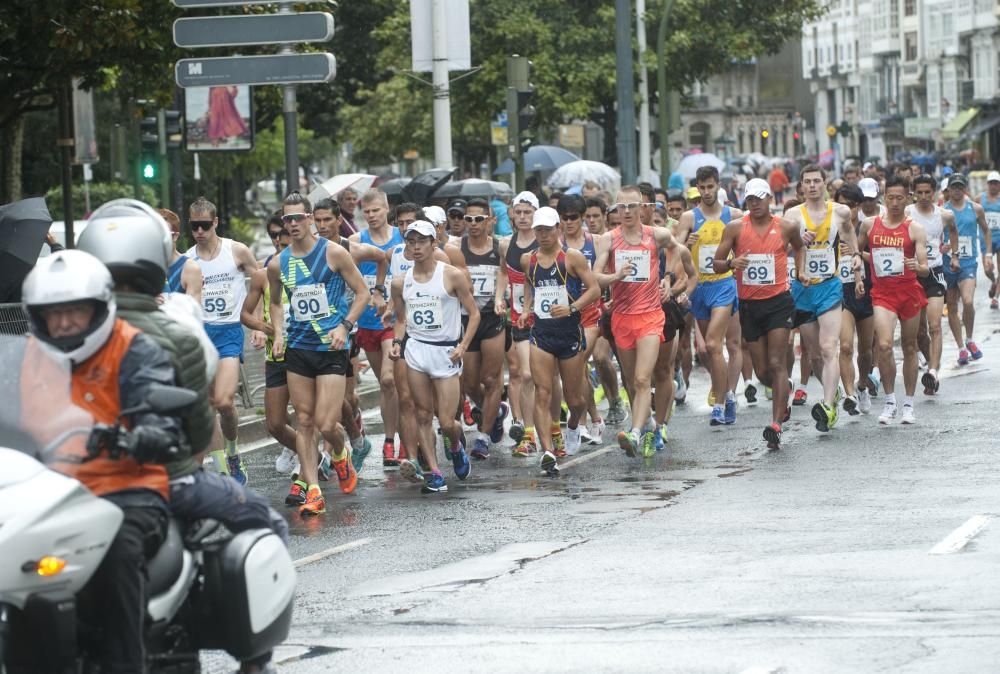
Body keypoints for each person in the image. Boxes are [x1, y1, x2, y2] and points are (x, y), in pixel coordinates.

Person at [23, 249, 184, 673]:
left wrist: (142, 436)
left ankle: (124, 664)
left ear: (98, 308)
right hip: (45, 494)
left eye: (73, 311)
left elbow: (162, 418)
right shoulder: (25, 357)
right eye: (51, 313)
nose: (62, 323)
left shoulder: (134, 349)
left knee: (115, 552)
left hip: (125, 490)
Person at [269, 192, 371, 516]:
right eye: (288, 219)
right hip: (298, 349)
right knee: (304, 421)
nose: (293, 224)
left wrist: (345, 326)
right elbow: (274, 302)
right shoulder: (278, 263)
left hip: (330, 346)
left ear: (311, 218)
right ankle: (313, 490)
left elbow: (363, 292)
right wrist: (279, 333)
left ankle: (340, 455)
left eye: (299, 217)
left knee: (328, 424)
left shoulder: (334, 253)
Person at [596, 185, 690, 456]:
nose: (626, 212)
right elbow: (595, 275)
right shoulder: (609, 239)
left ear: (642, 208)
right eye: (621, 207)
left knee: (641, 378)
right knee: (630, 379)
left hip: (650, 316)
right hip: (622, 317)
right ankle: (648, 423)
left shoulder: (656, 235)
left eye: (631, 206)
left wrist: (668, 279)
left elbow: (677, 249)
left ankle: (636, 434)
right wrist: (615, 278)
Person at [714, 178, 806, 448]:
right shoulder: (734, 228)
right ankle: (783, 392)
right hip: (750, 306)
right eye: (750, 200)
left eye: (759, 198)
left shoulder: (787, 226)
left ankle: (775, 424)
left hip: (779, 302)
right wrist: (732, 262)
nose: (754, 204)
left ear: (769, 199)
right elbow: (716, 264)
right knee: (763, 370)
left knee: (777, 362)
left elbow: (800, 248)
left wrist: (799, 271)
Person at [390, 221, 479, 493]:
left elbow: (473, 314)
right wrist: (396, 341)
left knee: (448, 421)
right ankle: (436, 472)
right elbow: (402, 319)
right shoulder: (400, 283)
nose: (415, 247)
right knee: (423, 414)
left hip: (447, 351)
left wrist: (463, 346)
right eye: (411, 242)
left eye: (421, 241)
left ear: (433, 244)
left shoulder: (451, 275)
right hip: (416, 349)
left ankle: (455, 446)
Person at [518, 206, 602, 472]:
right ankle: (547, 451)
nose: (542, 235)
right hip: (541, 335)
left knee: (574, 399)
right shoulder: (527, 260)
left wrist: (573, 307)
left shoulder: (572, 258)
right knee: (543, 392)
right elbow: (529, 284)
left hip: (569, 335)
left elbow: (596, 289)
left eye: (547, 230)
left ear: (558, 229)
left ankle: (575, 426)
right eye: (538, 230)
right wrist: (526, 308)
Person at [783, 164, 862, 433]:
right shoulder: (792, 215)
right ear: (801, 186)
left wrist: (855, 255)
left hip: (830, 287)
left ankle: (828, 407)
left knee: (829, 348)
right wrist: (796, 240)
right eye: (808, 182)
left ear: (825, 184)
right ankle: (834, 391)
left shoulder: (839, 212)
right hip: (802, 289)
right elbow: (779, 248)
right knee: (814, 354)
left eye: (817, 181)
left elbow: (850, 232)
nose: (813, 185)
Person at [185, 197, 258, 483]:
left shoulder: (236, 251)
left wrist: (256, 323)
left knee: (225, 402)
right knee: (208, 404)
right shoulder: (188, 260)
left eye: (205, 225)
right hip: (202, 333)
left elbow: (263, 282)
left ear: (215, 222)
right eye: (194, 226)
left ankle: (232, 451)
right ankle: (218, 468)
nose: (200, 231)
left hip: (228, 332)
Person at [858, 175, 930, 424]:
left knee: (910, 347)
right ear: (884, 198)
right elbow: (860, 253)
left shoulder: (914, 228)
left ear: (907, 198)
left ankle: (908, 404)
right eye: (891, 198)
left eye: (900, 198)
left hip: (909, 292)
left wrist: (916, 265)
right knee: (885, 345)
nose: (895, 203)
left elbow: (925, 268)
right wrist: (858, 268)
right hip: (883, 294)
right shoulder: (869, 225)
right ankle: (890, 402)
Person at [675, 166, 743, 426]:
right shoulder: (689, 218)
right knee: (707, 351)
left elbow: (749, 244)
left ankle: (720, 401)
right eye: (702, 188)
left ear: (718, 186)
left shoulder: (733, 216)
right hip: (699, 288)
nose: (706, 192)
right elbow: (675, 250)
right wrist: (686, 245)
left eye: (710, 187)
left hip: (724, 284)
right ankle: (726, 394)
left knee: (714, 344)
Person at [240, 219, 303, 490]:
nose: (279, 240)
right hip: (275, 354)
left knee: (308, 417)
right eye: (274, 235)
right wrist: (264, 327)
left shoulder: (310, 269)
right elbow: (245, 313)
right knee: (275, 424)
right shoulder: (264, 274)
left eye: (285, 234)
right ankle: (312, 452)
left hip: (305, 351)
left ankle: (310, 466)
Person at [350, 189, 404, 464]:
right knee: (387, 388)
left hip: (396, 323)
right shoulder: (356, 241)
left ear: (387, 209)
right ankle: (391, 439)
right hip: (367, 322)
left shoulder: (403, 236)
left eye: (375, 210)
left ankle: (394, 441)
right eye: (366, 211)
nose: (371, 216)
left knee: (388, 379)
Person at [459, 198, 509, 459]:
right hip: (466, 319)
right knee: (469, 384)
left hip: (492, 318)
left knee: (491, 380)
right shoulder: (457, 248)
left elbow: (507, 273)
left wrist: (502, 298)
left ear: (490, 221)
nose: (473, 224)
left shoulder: (501, 247)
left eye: (479, 219)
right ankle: (497, 412)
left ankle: (483, 436)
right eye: (469, 219)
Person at [497, 191, 541, 456]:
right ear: (512, 214)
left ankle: (560, 425)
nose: (523, 217)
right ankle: (529, 433)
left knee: (549, 379)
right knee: (525, 375)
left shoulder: (546, 241)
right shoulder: (505, 244)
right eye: (519, 212)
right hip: (519, 317)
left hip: (548, 316)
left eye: (528, 212)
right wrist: (498, 297)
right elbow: (503, 271)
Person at [907, 174, 958, 396]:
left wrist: (954, 255)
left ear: (935, 192)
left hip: (935, 273)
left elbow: (954, 231)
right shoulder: (907, 213)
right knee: (920, 332)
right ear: (914, 192)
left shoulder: (945, 215)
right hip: (912, 275)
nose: (924, 196)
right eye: (920, 192)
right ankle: (930, 364)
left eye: (928, 192)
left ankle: (934, 371)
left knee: (935, 325)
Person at [833, 184, 876, 415]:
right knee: (846, 346)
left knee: (866, 350)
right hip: (841, 291)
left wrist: (858, 253)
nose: (846, 209)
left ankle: (861, 386)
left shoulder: (867, 227)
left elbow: (881, 259)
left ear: (858, 206)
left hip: (867, 291)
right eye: (842, 204)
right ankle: (849, 395)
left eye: (851, 205)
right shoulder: (829, 228)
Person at [942, 173, 993, 365]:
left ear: (964, 188)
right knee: (953, 306)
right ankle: (961, 348)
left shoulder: (976, 208)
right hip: (948, 262)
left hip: (969, 261)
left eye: (959, 186)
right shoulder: (943, 211)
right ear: (948, 190)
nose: (956, 190)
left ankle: (970, 339)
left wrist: (987, 254)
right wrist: (942, 248)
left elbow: (986, 231)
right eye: (953, 187)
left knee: (969, 301)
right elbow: (935, 236)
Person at [158, 208, 203, 303]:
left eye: (164, 235)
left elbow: (192, 313)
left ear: (175, 236)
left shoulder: (190, 268)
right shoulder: (144, 265)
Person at [980, 171, 1000, 310]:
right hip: (985, 238)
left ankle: (995, 298)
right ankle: (993, 281)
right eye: (991, 183)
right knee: (987, 270)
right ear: (988, 184)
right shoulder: (980, 198)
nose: (993, 186)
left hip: (999, 237)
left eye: (996, 183)